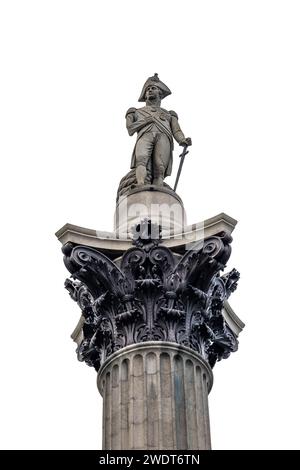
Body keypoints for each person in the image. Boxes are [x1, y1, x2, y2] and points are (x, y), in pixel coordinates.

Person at [126, 73, 192, 186]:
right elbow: (130, 129)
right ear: (145, 95)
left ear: (160, 93)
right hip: (145, 135)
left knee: (160, 167)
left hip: (164, 137)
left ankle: (158, 190)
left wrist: (182, 140)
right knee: (141, 160)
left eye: (153, 88)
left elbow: (176, 131)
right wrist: (146, 120)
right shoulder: (135, 111)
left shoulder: (169, 114)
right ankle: (140, 184)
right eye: (148, 89)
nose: (150, 90)